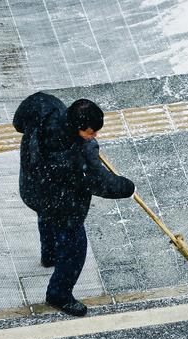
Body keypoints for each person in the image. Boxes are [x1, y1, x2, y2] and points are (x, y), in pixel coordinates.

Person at [13, 92, 135, 316]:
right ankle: (59, 294)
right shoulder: (78, 154)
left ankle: (49, 254)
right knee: (74, 248)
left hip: (33, 188)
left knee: (45, 216)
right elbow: (102, 184)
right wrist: (128, 187)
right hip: (62, 205)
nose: (95, 136)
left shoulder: (45, 107)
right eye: (91, 132)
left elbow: (18, 122)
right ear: (78, 127)